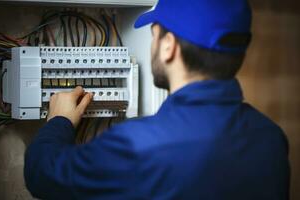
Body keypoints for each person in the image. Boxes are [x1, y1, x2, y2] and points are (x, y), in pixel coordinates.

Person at [24, 0, 290, 199]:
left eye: (154, 35)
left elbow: (41, 176)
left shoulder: (139, 145)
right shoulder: (270, 138)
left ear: (168, 45)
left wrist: (59, 120)